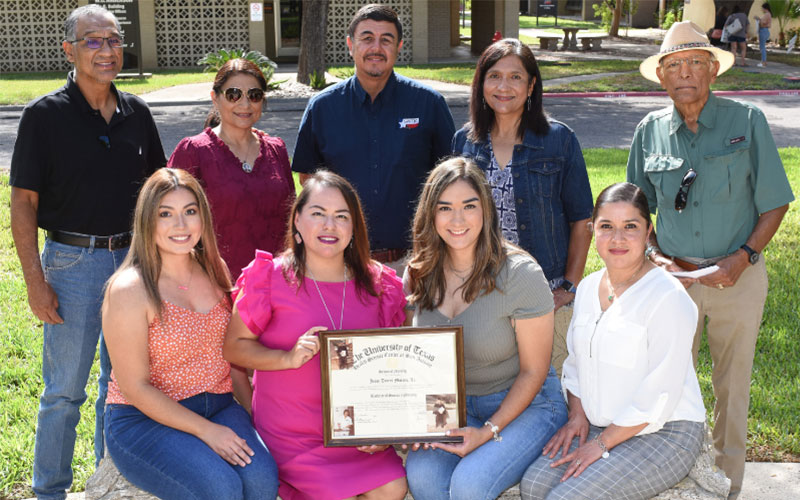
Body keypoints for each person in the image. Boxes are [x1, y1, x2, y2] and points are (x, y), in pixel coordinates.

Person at [629, 21, 794, 499]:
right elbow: (635, 212)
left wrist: (742, 259)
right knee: (666, 384)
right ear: (662, 77)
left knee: (732, 388)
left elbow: (775, 202)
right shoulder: (649, 131)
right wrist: (658, 259)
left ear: (712, 71)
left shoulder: (747, 122)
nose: (686, 73)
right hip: (671, 280)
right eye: (674, 65)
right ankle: (670, 479)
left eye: (695, 63)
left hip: (737, 277)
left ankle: (726, 485)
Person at [8, 5, 166, 498]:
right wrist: (36, 282)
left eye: (114, 40)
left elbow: (159, 191)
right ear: (69, 50)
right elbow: (22, 203)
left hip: (133, 266)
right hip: (72, 265)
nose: (106, 50)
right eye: (93, 41)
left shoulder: (138, 113)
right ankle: (50, 490)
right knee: (64, 392)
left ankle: (106, 483)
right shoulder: (44, 116)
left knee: (119, 388)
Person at [223, 171, 408, 500]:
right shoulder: (270, 278)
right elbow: (234, 348)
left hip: (354, 431)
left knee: (393, 487)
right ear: (297, 221)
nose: (329, 226)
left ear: (354, 229)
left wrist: (382, 431)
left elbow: (392, 369)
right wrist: (287, 358)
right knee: (335, 493)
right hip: (293, 435)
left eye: (341, 217)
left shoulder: (379, 285)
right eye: (318, 214)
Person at [520, 182, 707, 500]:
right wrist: (577, 415)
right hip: (598, 423)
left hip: (663, 431)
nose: (617, 238)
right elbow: (577, 363)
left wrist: (601, 444)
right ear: (592, 230)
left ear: (648, 232)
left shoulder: (668, 297)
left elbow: (658, 396)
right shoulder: (590, 287)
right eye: (607, 226)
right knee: (533, 486)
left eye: (630, 227)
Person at [101, 168, 279, 500]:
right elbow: (135, 388)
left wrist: (256, 419)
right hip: (144, 420)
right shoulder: (128, 289)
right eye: (165, 214)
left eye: (189, 212)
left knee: (263, 481)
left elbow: (233, 355)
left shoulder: (214, 269)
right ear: (146, 221)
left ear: (203, 217)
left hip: (220, 405)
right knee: (220, 488)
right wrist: (208, 433)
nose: (180, 225)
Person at [404, 158, 568, 500]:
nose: (458, 219)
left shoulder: (519, 273)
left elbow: (534, 371)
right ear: (430, 214)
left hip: (526, 405)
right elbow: (416, 361)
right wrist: (413, 418)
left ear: (486, 210)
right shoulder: (419, 272)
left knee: (469, 486)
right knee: (421, 478)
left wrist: (488, 432)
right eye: (445, 207)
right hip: (453, 408)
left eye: (469, 206)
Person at [451, 38, 593, 377]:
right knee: (488, 387)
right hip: (478, 292)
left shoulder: (559, 140)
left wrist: (568, 287)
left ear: (531, 86)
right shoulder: (464, 143)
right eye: (494, 75)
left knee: (549, 387)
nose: (504, 86)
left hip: (544, 293)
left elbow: (582, 220)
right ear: (481, 83)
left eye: (516, 77)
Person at [292, 3, 455, 270]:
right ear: (350, 44)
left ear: (399, 46)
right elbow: (309, 181)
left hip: (414, 263)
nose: (376, 48)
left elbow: (451, 180)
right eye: (367, 38)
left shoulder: (429, 104)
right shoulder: (322, 108)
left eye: (386, 40)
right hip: (341, 262)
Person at [168, 58, 295, 278]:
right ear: (215, 98)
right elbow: (168, 223)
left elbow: (293, 219)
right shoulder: (193, 151)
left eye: (254, 95)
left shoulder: (277, 149)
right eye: (233, 94)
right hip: (216, 284)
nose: (245, 104)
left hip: (277, 283)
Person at [755, 3, 772, 67]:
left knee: (762, 47)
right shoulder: (768, 14)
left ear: (765, 8)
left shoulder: (767, 14)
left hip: (763, 30)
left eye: (762, 8)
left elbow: (763, 23)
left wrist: (758, 19)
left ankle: (763, 62)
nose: (762, 10)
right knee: (762, 47)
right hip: (764, 30)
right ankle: (764, 61)